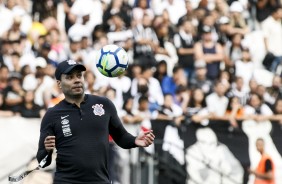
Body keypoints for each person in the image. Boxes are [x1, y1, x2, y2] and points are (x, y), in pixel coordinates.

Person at [36, 59, 155, 184]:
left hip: (99, 181)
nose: (76, 80)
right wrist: (47, 150)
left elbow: (121, 136)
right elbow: (42, 161)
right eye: (70, 77)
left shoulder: (104, 104)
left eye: (79, 75)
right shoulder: (52, 114)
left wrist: (134, 140)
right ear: (59, 84)